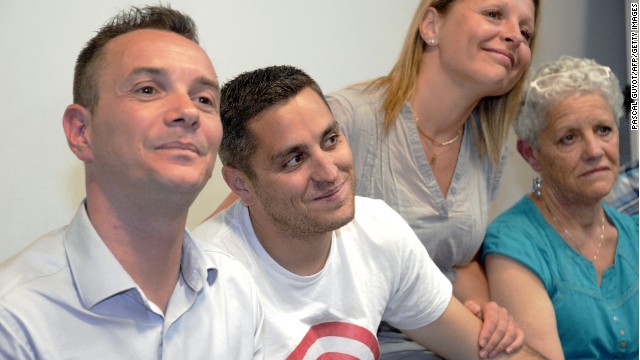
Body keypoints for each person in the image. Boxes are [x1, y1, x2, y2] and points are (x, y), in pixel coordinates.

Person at [194, 65, 544, 359]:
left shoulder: (377, 230)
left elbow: (482, 349)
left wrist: (495, 330)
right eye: (294, 159)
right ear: (241, 185)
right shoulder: (208, 281)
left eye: (331, 140)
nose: (330, 172)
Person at [0, 6, 263, 359]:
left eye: (204, 99)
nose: (187, 111)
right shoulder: (15, 320)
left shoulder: (237, 293)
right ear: (81, 131)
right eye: (148, 90)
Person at [324, 0, 540, 357]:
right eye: (494, 14)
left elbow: (458, 259)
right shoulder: (346, 120)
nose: (515, 36)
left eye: (526, 31)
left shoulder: (487, 146)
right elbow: (244, 226)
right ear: (430, 26)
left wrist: (486, 311)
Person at [481, 56, 638, 359]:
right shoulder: (514, 243)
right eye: (569, 138)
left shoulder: (634, 232)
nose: (594, 151)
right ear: (531, 154)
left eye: (604, 130)